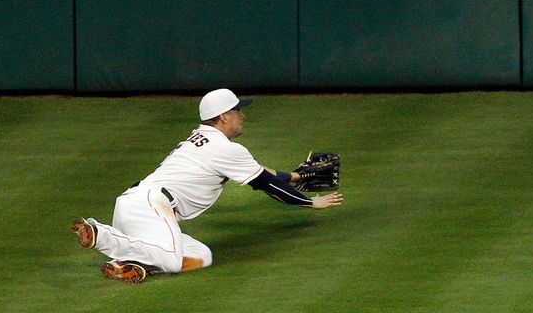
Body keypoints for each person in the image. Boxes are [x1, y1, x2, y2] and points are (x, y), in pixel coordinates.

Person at [72, 88, 343, 283]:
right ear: (224, 117)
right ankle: (101, 234)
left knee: (202, 255)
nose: (242, 116)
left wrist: (296, 177)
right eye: (238, 110)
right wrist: (310, 201)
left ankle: (128, 265)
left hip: (137, 207)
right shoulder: (226, 149)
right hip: (151, 206)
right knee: (172, 259)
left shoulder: (203, 140)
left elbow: (261, 173)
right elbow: (267, 185)